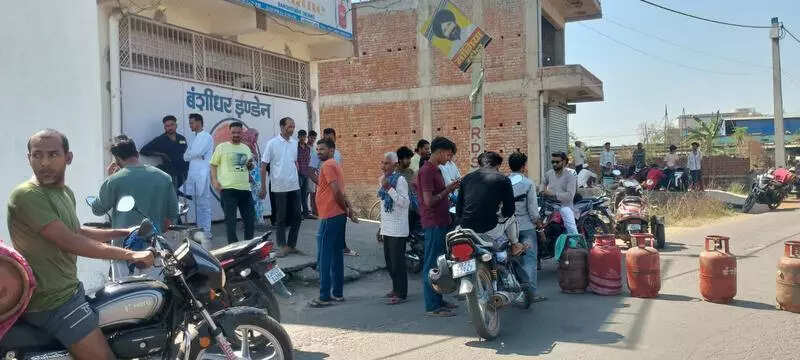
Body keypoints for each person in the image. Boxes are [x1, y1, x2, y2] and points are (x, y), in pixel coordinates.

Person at [8, 129, 154, 360]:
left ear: (68, 157)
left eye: (53, 154)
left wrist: (124, 230)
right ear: (29, 158)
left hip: (69, 290)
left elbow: (76, 230)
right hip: (52, 303)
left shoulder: (64, 192)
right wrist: (131, 255)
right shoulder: (27, 195)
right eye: (37, 155)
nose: (44, 162)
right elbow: (71, 242)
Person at [91, 135, 178, 279]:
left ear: (117, 160)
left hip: (122, 252)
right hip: (153, 251)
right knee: (157, 295)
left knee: (126, 298)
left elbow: (98, 209)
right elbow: (171, 216)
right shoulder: (164, 177)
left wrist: (109, 178)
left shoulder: (114, 181)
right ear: (137, 153)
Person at [309, 138, 359, 308]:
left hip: (330, 215)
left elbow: (337, 192)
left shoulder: (328, 165)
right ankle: (337, 293)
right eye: (317, 149)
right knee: (337, 255)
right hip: (336, 215)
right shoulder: (335, 165)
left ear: (331, 150)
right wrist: (348, 210)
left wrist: (345, 209)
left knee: (325, 255)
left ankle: (324, 296)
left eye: (322, 149)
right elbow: (342, 193)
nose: (318, 152)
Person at [418, 137, 460, 317]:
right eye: (448, 155)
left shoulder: (436, 170)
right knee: (432, 265)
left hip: (441, 221)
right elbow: (428, 201)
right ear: (441, 151)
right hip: (433, 223)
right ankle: (432, 306)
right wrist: (448, 190)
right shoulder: (427, 171)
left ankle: (438, 300)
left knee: (440, 264)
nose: (449, 159)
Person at [259, 118, 302, 256]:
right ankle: (281, 246)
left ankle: (291, 245)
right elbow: (264, 165)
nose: (292, 129)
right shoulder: (272, 143)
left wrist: (297, 176)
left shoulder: (294, 143)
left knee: (297, 216)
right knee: (281, 217)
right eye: (290, 126)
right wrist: (263, 187)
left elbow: (294, 161)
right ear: (282, 127)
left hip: (294, 185)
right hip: (279, 186)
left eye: (293, 126)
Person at [457, 151, 517, 245]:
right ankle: (515, 245)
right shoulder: (503, 179)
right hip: (489, 228)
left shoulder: (466, 178)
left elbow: (459, 209)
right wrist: (500, 214)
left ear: (479, 164)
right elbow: (510, 210)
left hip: (466, 228)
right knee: (512, 217)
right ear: (497, 165)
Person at [508, 152, 545, 302]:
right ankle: (529, 294)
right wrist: (540, 227)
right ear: (523, 166)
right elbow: (533, 211)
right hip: (526, 227)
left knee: (511, 261)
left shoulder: (503, 182)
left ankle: (514, 292)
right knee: (529, 260)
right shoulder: (528, 183)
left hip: (508, 228)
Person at [210, 121, 255, 244]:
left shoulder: (246, 148)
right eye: (233, 132)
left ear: (242, 133)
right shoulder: (221, 147)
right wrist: (214, 180)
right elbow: (213, 164)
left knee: (250, 220)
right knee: (231, 222)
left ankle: (249, 247)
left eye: (239, 132)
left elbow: (249, 166)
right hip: (228, 189)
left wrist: (250, 168)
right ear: (229, 133)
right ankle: (233, 248)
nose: (236, 135)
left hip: (245, 190)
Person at [377, 152, 410, 305]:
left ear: (395, 165)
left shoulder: (400, 180)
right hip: (387, 227)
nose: (383, 166)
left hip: (398, 228)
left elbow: (404, 202)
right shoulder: (382, 179)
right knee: (389, 261)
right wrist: (380, 227)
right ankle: (395, 289)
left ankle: (401, 293)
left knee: (398, 262)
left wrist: (389, 188)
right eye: (382, 163)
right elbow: (383, 206)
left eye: (387, 163)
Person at [182, 113, 214, 240]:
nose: (190, 125)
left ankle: (206, 231)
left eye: (192, 123)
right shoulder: (193, 138)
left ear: (199, 122)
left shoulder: (206, 136)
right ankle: (200, 229)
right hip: (194, 173)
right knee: (197, 203)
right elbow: (185, 157)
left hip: (202, 173)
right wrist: (194, 155)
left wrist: (193, 154)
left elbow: (197, 152)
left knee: (204, 204)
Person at [140, 115, 189, 190]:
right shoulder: (160, 139)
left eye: (172, 125)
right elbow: (143, 150)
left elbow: (186, 152)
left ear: (176, 125)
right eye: (167, 126)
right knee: (173, 193)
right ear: (164, 127)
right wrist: (161, 154)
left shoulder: (182, 138)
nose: (170, 128)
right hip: (170, 172)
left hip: (183, 172)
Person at [541, 152, 578, 235]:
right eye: (552, 162)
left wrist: (553, 194)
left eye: (557, 162)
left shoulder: (570, 176)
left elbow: (570, 196)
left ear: (564, 162)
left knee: (571, 228)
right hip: (549, 206)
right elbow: (543, 182)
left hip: (564, 206)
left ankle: (576, 242)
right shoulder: (549, 173)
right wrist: (542, 190)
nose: (554, 164)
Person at [243, 128, 269, 225]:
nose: (256, 138)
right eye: (255, 136)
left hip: (257, 176)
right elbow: (245, 164)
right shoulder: (245, 146)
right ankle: (253, 220)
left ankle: (258, 219)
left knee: (258, 198)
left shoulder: (253, 146)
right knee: (251, 199)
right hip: (251, 177)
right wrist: (249, 176)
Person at [297, 129, 313, 218]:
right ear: (298, 137)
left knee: (304, 195)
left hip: (306, 173)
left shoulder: (308, 148)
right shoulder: (295, 147)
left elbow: (308, 160)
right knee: (298, 195)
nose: (303, 138)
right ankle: (298, 214)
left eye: (304, 136)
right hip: (298, 174)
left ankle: (306, 213)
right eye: (301, 136)